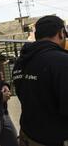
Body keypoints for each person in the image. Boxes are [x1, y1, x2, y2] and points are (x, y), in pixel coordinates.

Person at [12, 15, 68, 146]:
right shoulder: (62, 62)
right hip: (54, 139)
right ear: (61, 33)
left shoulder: (20, 62)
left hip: (28, 135)